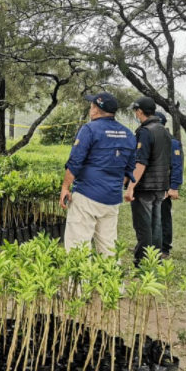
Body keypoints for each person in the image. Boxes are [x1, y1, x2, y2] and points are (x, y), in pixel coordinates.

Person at [60, 92, 137, 256]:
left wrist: (65, 187)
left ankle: (80, 282)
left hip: (87, 196)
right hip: (112, 198)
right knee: (108, 246)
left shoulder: (89, 129)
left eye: (91, 106)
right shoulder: (128, 134)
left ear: (95, 110)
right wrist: (112, 185)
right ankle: (112, 281)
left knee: (78, 246)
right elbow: (129, 169)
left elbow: (75, 162)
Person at [125, 96, 170, 265]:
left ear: (140, 111)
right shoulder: (163, 130)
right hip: (160, 186)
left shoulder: (145, 131)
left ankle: (141, 262)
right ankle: (154, 260)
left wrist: (131, 186)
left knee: (143, 226)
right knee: (156, 224)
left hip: (145, 186)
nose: (136, 115)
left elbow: (141, 162)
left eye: (136, 112)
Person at [155, 111, 183, 259]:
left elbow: (177, 166)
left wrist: (174, 187)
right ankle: (149, 245)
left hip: (165, 186)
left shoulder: (172, 142)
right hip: (153, 185)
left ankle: (164, 248)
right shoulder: (154, 139)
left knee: (163, 216)